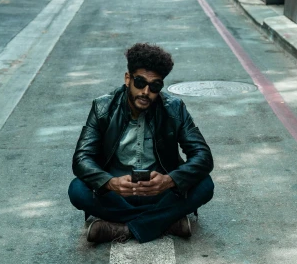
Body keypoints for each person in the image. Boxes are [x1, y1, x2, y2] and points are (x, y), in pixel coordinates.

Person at [68, 43, 214, 244]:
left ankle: (123, 229)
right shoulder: (103, 107)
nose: (146, 92)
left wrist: (169, 181)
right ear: (128, 79)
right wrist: (110, 182)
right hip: (117, 193)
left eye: (154, 86)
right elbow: (81, 159)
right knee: (77, 190)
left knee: (206, 185)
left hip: (160, 192)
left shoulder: (174, 108)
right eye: (140, 82)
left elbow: (203, 156)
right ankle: (165, 222)